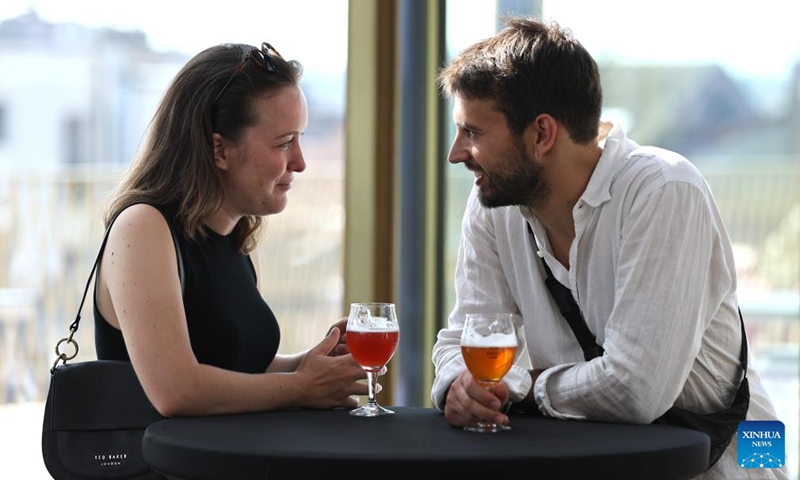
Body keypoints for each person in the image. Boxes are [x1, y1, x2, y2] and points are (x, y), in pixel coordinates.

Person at [430, 17, 788, 479]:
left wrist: (524, 388)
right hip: (599, 462)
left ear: (542, 134)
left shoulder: (666, 189)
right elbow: (461, 339)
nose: (455, 153)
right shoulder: (492, 204)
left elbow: (636, 389)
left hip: (733, 460)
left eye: (473, 133)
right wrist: (456, 388)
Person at [94, 41, 369, 417]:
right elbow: (176, 391)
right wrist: (303, 385)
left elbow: (238, 373)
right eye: (285, 142)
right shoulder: (143, 228)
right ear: (219, 150)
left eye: (300, 139)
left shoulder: (237, 235)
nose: (301, 162)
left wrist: (314, 360)